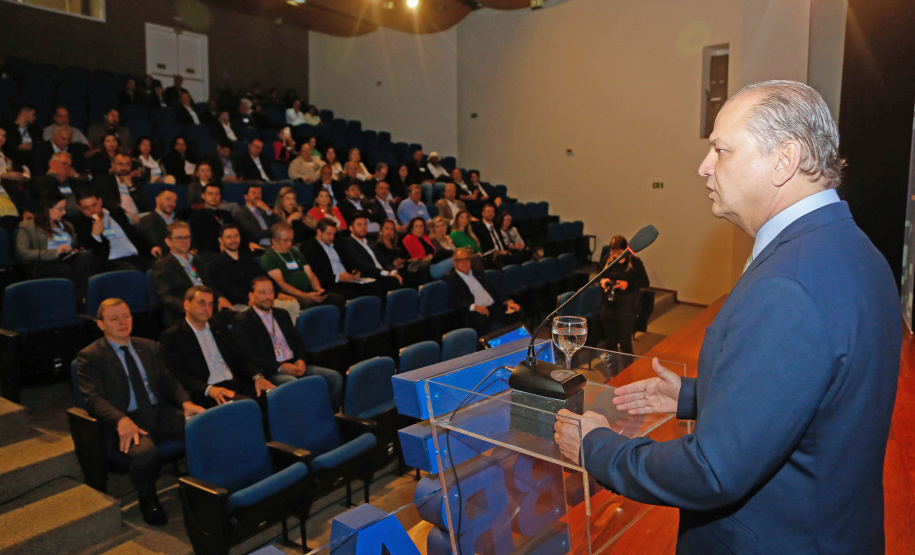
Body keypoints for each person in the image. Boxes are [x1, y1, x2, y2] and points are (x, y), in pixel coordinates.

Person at [553, 81, 902, 553]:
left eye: (721, 149)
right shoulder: (854, 250)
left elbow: (713, 472)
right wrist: (697, 396)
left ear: (785, 159)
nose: (704, 166)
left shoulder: (789, 283)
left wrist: (596, 446)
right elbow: (819, 391)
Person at [77, 299, 204, 526]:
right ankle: (149, 499)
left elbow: (167, 380)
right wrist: (121, 419)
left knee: (203, 426)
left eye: (126, 316)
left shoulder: (147, 346)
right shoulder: (90, 356)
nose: (122, 322)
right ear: (101, 325)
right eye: (114, 319)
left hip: (159, 411)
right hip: (127, 418)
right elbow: (93, 399)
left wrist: (185, 401)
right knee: (145, 452)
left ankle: (202, 488)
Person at [233, 276, 343, 405]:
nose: (268, 296)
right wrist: (280, 367)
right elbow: (249, 356)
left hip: (295, 364)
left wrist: (301, 360)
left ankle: (330, 415)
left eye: (271, 291)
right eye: (262, 292)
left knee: (334, 377)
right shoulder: (243, 321)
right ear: (251, 296)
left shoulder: (282, 314)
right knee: (294, 384)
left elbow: (297, 342)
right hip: (272, 370)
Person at [159, 286, 271, 410]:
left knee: (273, 396)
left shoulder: (218, 327)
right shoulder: (173, 336)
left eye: (210, 304)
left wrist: (257, 376)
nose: (207, 308)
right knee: (248, 406)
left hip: (234, 381)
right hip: (207, 391)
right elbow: (178, 375)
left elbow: (240, 357)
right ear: (186, 304)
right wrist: (208, 389)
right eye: (201, 303)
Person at [150, 221, 233, 327]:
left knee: (242, 320)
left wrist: (221, 297)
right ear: (168, 242)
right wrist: (191, 307)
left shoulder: (196, 259)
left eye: (187, 237)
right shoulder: (163, 265)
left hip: (209, 307)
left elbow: (208, 285)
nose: (184, 241)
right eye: (179, 238)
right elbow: (165, 297)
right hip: (184, 313)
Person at [208, 224, 300, 318]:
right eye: (229, 237)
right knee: (258, 313)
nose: (233, 240)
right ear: (220, 240)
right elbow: (227, 289)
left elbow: (264, 276)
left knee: (292, 304)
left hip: (260, 299)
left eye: (236, 236)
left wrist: (278, 293)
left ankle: (284, 332)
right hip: (239, 305)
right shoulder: (216, 264)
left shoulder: (247, 259)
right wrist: (248, 300)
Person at [16, 191, 96, 297]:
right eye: (60, 209)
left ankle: (79, 297)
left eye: (64, 208)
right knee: (71, 270)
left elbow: (75, 244)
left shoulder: (67, 225)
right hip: (45, 263)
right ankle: (79, 298)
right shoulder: (28, 226)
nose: (64, 212)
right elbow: (23, 253)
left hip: (68, 259)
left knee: (88, 257)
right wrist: (55, 252)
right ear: (46, 209)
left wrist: (77, 249)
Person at [260, 222, 345, 310]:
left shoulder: (295, 252)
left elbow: (310, 275)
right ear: (274, 240)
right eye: (285, 240)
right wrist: (305, 295)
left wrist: (318, 290)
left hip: (309, 292)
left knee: (338, 299)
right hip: (292, 296)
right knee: (309, 304)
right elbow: (282, 285)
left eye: (291, 240)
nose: (289, 244)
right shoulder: (269, 258)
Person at [74, 189, 159, 272]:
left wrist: (150, 247)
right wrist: (95, 236)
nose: (92, 210)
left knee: (159, 267)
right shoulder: (81, 225)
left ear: (100, 201)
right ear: (79, 208)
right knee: (132, 272)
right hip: (112, 261)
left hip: (134, 255)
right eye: (86, 208)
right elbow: (94, 254)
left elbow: (134, 234)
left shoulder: (115, 212)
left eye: (94, 205)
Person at [444, 248, 522, 335]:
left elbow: (495, 288)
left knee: (517, 311)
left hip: (493, 306)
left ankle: (519, 344)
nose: (464, 262)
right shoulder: (451, 279)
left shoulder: (478, 273)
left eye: (467, 259)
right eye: (460, 260)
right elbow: (455, 300)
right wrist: (475, 307)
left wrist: (508, 301)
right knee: (482, 322)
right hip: (476, 312)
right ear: (455, 263)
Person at [303, 217, 385, 299]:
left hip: (347, 280)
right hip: (331, 283)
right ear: (319, 231)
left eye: (333, 234)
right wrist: (338, 277)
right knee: (349, 294)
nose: (332, 237)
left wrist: (353, 271)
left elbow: (348, 261)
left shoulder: (336, 244)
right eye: (328, 234)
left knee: (375, 286)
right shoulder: (310, 248)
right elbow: (317, 272)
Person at [596, 235, 649, 354]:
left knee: (625, 340)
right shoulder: (607, 260)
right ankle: (613, 370)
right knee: (610, 341)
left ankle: (628, 369)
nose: (616, 255)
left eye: (619, 252)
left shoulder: (634, 262)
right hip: (608, 303)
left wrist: (627, 284)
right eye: (614, 252)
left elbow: (645, 282)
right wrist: (603, 282)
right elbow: (599, 276)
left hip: (626, 304)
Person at [339, 213, 403, 291]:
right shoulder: (348, 243)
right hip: (369, 276)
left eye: (365, 224)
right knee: (392, 282)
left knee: (407, 276)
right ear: (351, 228)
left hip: (382, 273)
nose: (363, 227)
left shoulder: (371, 242)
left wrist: (393, 272)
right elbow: (363, 265)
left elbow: (383, 261)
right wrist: (387, 273)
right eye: (359, 225)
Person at [94, 153, 146, 224]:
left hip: (140, 217)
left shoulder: (136, 181)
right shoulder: (105, 179)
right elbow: (107, 202)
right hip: (120, 218)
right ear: (113, 165)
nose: (124, 167)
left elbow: (143, 204)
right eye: (120, 164)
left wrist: (131, 186)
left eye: (127, 164)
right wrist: (126, 214)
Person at [27, 151, 82, 219]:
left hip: (78, 217)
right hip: (56, 217)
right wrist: (54, 175)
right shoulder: (39, 180)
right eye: (64, 164)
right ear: (51, 163)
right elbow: (48, 197)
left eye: (69, 165)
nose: (67, 168)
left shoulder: (72, 182)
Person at [189, 183, 237, 254]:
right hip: (211, 252)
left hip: (232, 248)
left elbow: (237, 232)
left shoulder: (227, 214)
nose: (214, 197)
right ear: (203, 196)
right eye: (210, 194)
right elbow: (201, 240)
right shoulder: (197, 216)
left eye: (217, 194)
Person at [234, 183, 279, 250]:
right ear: (246, 196)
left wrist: (268, 210)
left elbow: (279, 225)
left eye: (259, 193)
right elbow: (256, 233)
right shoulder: (241, 213)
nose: (257, 195)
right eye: (253, 193)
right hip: (258, 245)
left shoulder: (265, 211)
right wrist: (276, 232)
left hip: (275, 243)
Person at [138, 187, 179, 253]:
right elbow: (157, 244)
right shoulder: (148, 220)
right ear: (157, 200)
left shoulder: (178, 220)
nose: (172, 204)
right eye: (168, 199)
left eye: (174, 201)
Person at [3, 104, 42, 169]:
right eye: (33, 115)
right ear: (25, 113)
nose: (35, 118)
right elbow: (5, 147)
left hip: (32, 166)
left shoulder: (35, 131)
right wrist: (18, 148)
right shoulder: (8, 129)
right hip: (14, 165)